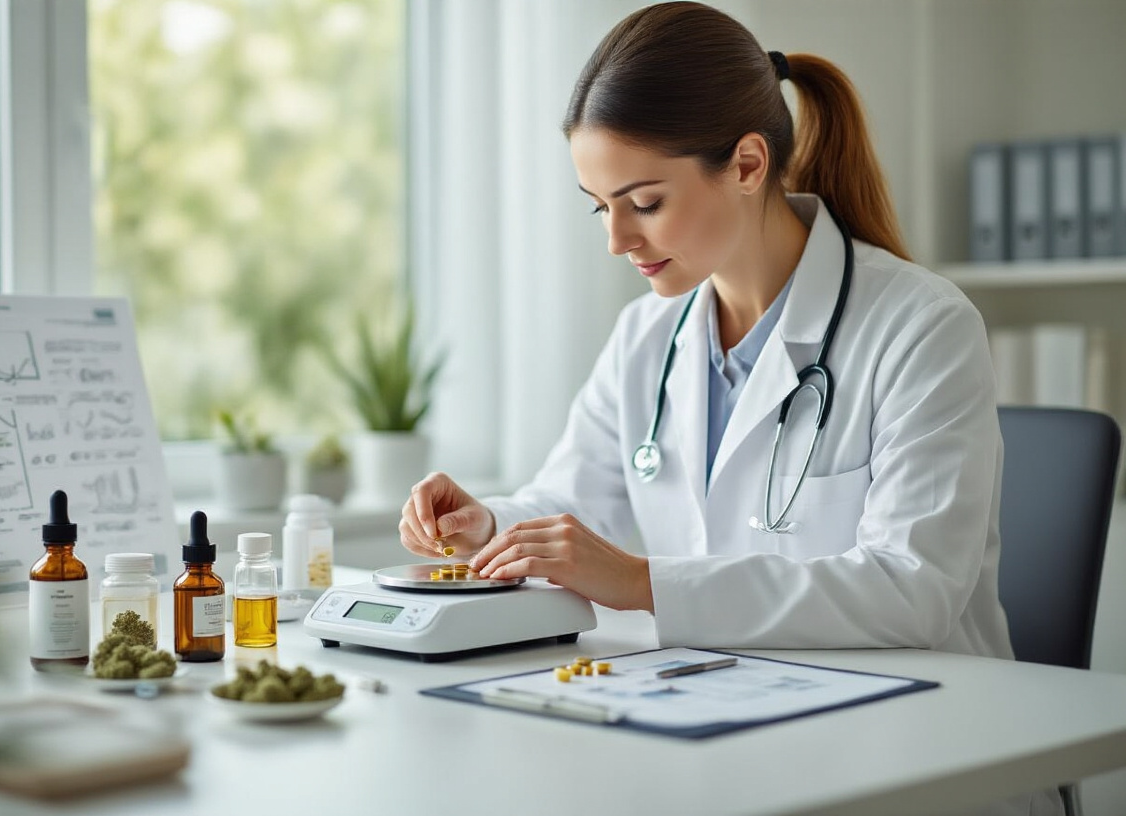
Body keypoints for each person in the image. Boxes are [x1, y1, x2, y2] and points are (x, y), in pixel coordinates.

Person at [400, 8, 1061, 810]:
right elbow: (571, 501)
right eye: (599, 205)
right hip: (734, 732)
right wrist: (492, 526)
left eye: (644, 201)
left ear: (748, 164)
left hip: (922, 752)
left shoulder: (921, 325)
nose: (616, 240)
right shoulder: (649, 335)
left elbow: (911, 590)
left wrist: (646, 582)